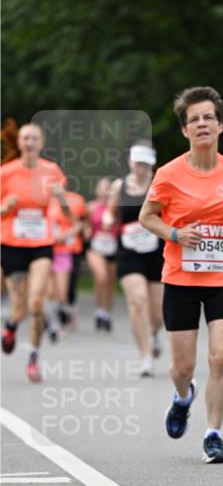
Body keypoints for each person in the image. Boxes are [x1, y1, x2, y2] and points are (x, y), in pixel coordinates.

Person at [139, 85, 223, 464]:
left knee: (220, 358)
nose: (202, 124)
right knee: (181, 367)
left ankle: (214, 434)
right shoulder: (169, 174)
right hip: (181, 277)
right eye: (194, 120)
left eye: (208, 118)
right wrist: (174, 233)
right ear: (185, 130)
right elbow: (147, 217)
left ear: (220, 126)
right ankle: (182, 397)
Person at [1, 122, 71, 381]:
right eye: (25, 138)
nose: (29, 142)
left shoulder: (51, 171)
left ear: (41, 143)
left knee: (36, 303)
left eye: (34, 138)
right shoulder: (6, 173)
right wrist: (5, 207)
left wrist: (60, 197)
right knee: (19, 308)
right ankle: (10, 328)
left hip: (41, 243)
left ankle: (33, 358)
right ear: (19, 143)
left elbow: (67, 212)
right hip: (12, 244)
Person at [105, 143, 163, 376]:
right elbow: (111, 210)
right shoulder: (119, 186)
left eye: (145, 163)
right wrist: (109, 219)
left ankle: (155, 332)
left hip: (155, 249)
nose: (141, 168)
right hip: (128, 249)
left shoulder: (159, 184)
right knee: (137, 300)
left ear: (151, 164)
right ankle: (145, 355)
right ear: (130, 162)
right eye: (137, 163)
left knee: (158, 313)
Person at [45, 188, 86, 340]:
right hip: (45, 251)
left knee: (62, 293)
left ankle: (66, 314)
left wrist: (63, 236)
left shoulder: (70, 203)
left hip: (63, 251)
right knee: (49, 292)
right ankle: (54, 325)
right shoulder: (42, 202)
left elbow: (79, 225)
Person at [86, 177, 119, 331]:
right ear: (97, 190)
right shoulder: (91, 207)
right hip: (96, 247)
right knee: (101, 277)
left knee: (110, 283)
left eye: (108, 187)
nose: (105, 190)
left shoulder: (116, 207)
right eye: (102, 187)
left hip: (113, 247)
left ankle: (106, 312)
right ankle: (99, 309)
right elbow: (85, 227)